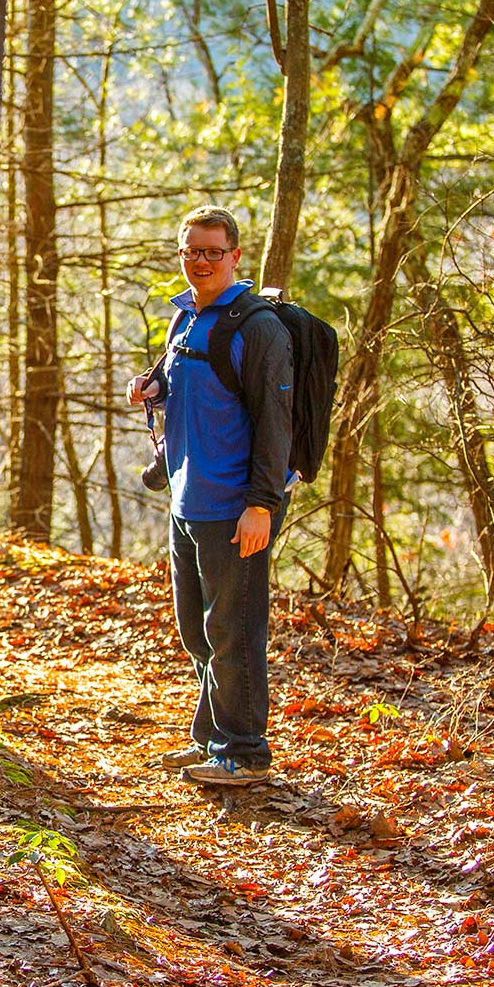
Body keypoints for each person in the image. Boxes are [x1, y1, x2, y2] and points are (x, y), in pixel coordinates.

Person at [127, 205, 293, 786]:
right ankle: (211, 741)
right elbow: (185, 382)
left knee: (234, 631)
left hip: (235, 505)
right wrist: (153, 386)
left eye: (211, 252)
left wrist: (261, 505)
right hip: (187, 495)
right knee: (198, 630)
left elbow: (277, 422)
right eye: (191, 251)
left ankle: (244, 753)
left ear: (235, 257)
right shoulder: (184, 320)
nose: (200, 261)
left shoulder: (258, 328)